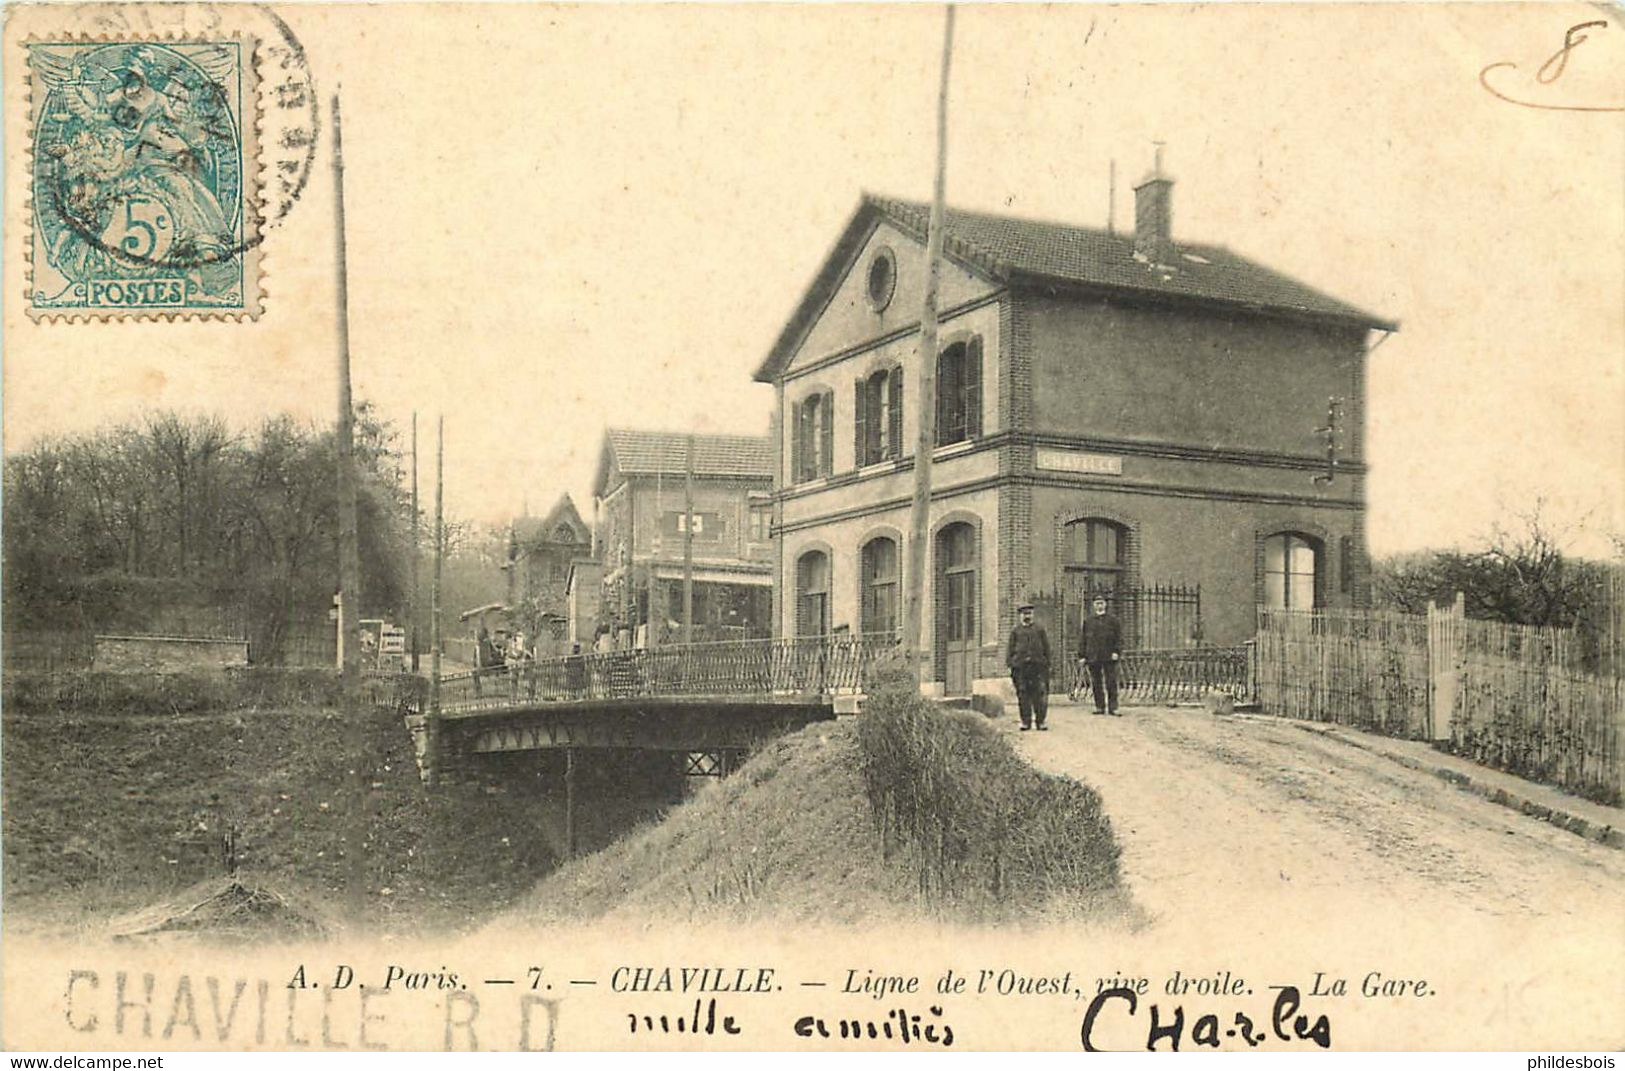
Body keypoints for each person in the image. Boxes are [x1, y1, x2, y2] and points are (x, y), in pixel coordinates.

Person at [1005, 602, 1052, 731]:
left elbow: (1046, 648)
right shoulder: (1016, 631)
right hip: (1021, 668)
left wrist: (1047, 663)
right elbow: (1010, 649)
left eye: (1029, 613)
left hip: (1038, 667)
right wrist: (1010, 664)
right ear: (1020, 615)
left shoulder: (1039, 630)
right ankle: (1025, 722)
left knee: (1039, 694)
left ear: (1033, 615)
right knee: (1023, 694)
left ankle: (1040, 721)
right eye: (1024, 614)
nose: (1027, 616)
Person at [1078, 596, 1124, 716]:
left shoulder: (1113, 621)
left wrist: (1116, 652)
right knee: (1096, 682)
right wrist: (1082, 655)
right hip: (1093, 656)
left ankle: (1113, 707)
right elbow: (1083, 639)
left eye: (1101, 603)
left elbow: (1119, 638)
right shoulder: (1088, 621)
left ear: (1105, 605)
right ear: (1094, 605)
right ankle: (1099, 706)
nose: (1099, 605)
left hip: (1109, 655)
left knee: (1111, 682)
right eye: (1097, 603)